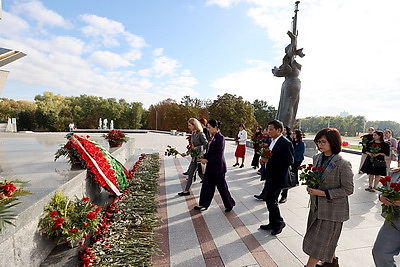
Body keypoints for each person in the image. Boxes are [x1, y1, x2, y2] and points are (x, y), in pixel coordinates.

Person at [303, 128, 354, 267]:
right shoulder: (317, 158)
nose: (320, 145)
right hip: (316, 208)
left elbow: (348, 189)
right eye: (318, 142)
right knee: (326, 241)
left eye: (323, 142)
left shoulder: (343, 164)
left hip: (333, 212)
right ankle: (332, 263)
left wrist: (324, 193)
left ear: (333, 142)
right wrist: (311, 186)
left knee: (318, 244)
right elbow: (316, 177)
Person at [258, 120, 294, 235]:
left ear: (279, 130)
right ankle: (272, 222)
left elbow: (289, 161)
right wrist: (263, 160)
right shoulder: (272, 141)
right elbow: (268, 155)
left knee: (271, 200)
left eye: (271, 129)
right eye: (268, 129)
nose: (268, 132)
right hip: (270, 175)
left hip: (278, 176)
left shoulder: (285, 142)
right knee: (269, 199)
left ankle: (279, 222)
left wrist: (270, 160)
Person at [194, 119, 235, 212]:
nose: (208, 129)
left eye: (209, 127)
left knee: (222, 188)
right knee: (206, 186)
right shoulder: (211, 137)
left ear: (215, 128)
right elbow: (209, 151)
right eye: (207, 127)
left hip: (218, 168)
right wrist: (203, 156)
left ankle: (229, 204)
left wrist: (207, 160)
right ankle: (203, 204)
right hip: (210, 168)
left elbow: (219, 155)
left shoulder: (220, 138)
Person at [372, 168, 400, 266]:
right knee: (380, 252)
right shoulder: (395, 173)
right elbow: (384, 188)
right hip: (394, 222)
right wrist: (381, 197)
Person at [178, 118, 208, 196]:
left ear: (194, 125)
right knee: (191, 173)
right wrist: (187, 153)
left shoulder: (201, 134)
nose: (188, 127)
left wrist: (198, 148)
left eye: (189, 125)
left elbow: (206, 145)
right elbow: (192, 146)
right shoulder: (193, 134)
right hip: (195, 157)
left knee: (201, 174)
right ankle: (186, 191)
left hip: (200, 157)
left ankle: (209, 186)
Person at [280, 129, 305, 204]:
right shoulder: (291, 142)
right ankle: (294, 181)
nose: (293, 134)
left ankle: (292, 182)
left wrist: (293, 154)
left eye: (295, 133)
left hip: (297, 159)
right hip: (291, 159)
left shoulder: (301, 143)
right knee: (293, 171)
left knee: (294, 170)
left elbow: (301, 152)